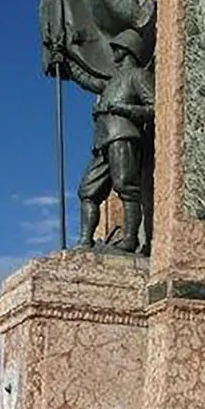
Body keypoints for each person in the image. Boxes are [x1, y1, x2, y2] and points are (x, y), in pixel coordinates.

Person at [76, 29, 154, 252]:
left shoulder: (138, 76)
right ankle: (85, 241)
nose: (114, 53)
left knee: (126, 186)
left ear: (127, 50)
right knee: (87, 191)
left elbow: (153, 107)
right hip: (102, 142)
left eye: (117, 48)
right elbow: (86, 78)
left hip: (123, 136)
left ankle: (130, 239)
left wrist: (124, 109)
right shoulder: (111, 82)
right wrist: (61, 58)